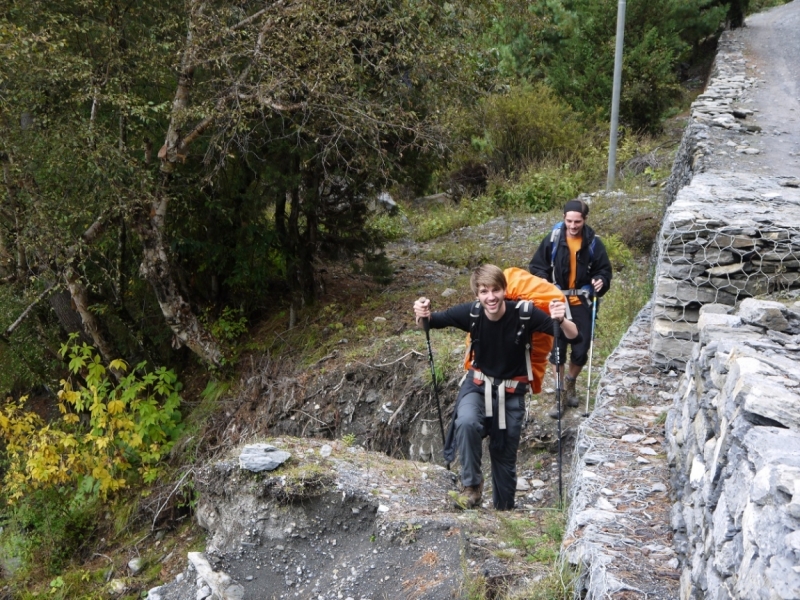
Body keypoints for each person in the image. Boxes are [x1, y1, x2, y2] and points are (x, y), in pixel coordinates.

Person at [413, 264, 580, 510]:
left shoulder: (525, 314)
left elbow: (573, 336)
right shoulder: (472, 314)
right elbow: (430, 323)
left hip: (512, 394)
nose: (490, 297)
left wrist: (561, 319)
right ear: (477, 295)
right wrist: (421, 314)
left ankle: (504, 509)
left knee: (503, 452)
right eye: (483, 292)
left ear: (504, 290)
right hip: (477, 386)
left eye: (495, 290)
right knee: (467, 422)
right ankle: (471, 488)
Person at [528, 199, 612, 419]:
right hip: (556, 301)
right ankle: (559, 395)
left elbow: (603, 270)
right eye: (569, 221)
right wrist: (544, 282)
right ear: (564, 219)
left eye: (577, 221)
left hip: (582, 302)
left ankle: (570, 382)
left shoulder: (593, 243)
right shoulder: (554, 239)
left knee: (581, 349)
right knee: (558, 349)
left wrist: (601, 280)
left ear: (584, 220)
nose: (573, 226)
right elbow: (537, 266)